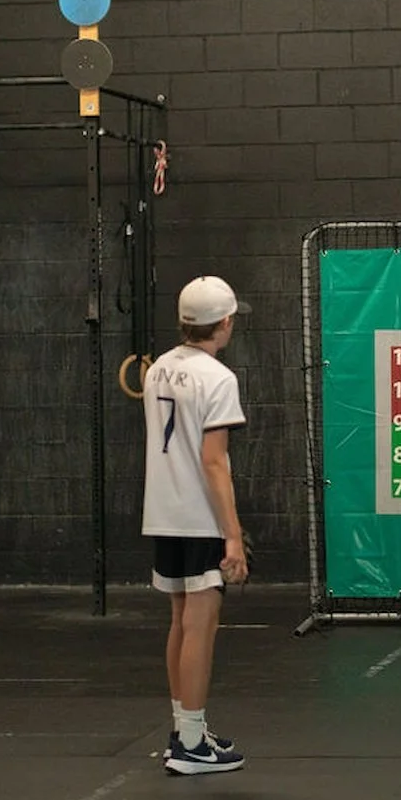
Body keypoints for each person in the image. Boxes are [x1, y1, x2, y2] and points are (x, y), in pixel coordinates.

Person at [142, 274, 253, 773]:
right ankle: (190, 746)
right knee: (200, 626)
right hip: (200, 517)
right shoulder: (219, 378)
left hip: (163, 514)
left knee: (180, 621)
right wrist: (233, 535)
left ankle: (185, 730)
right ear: (225, 323)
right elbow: (214, 462)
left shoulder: (158, 369)